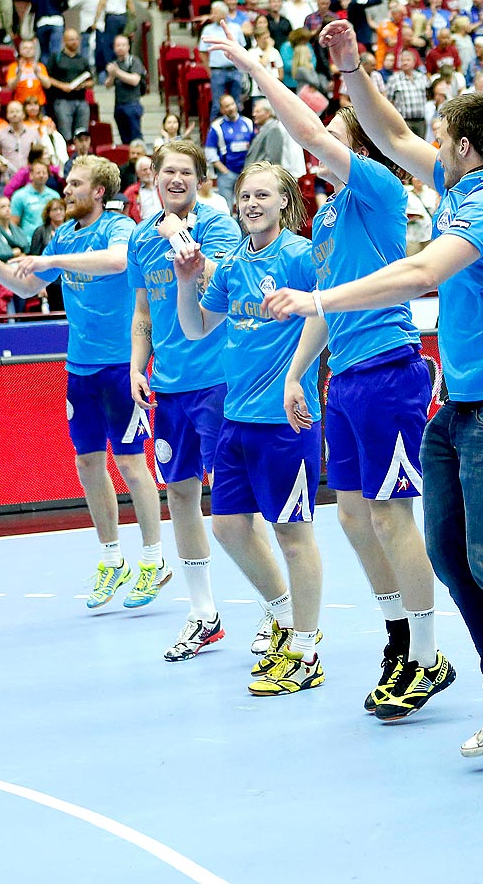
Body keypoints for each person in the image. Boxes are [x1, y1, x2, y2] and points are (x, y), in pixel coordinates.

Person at [265, 19, 483, 790]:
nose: (428, 145)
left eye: (443, 135)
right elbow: (392, 131)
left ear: (465, 146)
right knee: (448, 552)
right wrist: (352, 69)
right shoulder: (463, 180)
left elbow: (420, 272)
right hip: (464, 401)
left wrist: (319, 299)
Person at [206, 29, 456, 720]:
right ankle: (400, 641)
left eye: (338, 138)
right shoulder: (323, 220)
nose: (321, 148)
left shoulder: (376, 188)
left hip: (387, 369)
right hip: (341, 378)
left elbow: (310, 130)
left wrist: (257, 68)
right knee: (352, 519)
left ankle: (431, 653)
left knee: (391, 516)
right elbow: (321, 305)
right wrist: (297, 372)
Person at [0, 157, 167, 611]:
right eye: (66, 182)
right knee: (88, 464)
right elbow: (25, 286)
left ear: (97, 191)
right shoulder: (66, 234)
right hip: (80, 368)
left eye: (75, 183)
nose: (65, 189)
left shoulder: (119, 226)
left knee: (131, 464)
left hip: (120, 365)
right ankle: (113, 560)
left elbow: (116, 262)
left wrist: (52, 257)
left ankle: (154, 558)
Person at [175, 161, 326, 696]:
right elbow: (195, 328)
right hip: (235, 419)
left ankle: (307, 651)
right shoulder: (233, 263)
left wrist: (295, 378)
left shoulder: (302, 256)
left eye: (264, 196)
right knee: (228, 527)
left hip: (285, 421)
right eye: (245, 197)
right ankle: (284, 618)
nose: (252, 204)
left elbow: (326, 314)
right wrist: (185, 280)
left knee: (292, 535)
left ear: (285, 202)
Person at [128, 138, 242, 660]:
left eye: (184, 173)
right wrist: (136, 367)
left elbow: (221, 283)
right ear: (154, 179)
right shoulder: (138, 240)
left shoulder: (218, 225)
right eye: (166, 172)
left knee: (236, 504)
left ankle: (276, 614)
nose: (175, 180)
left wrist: (180, 236)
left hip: (218, 380)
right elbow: (144, 314)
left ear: (200, 180)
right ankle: (203, 614)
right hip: (169, 388)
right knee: (179, 496)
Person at [46, 29, 94, 142]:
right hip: (62, 100)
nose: (75, 42)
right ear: (64, 40)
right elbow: (48, 78)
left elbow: (91, 81)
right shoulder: (56, 57)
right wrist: (62, 85)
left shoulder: (82, 59)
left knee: (82, 134)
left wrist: (83, 85)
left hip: (81, 101)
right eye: (72, 39)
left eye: (77, 39)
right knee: (65, 134)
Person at [205, 94, 254, 205]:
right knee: (227, 208)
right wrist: (224, 171)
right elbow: (209, 152)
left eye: (232, 104)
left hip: (246, 172)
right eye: (227, 106)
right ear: (222, 110)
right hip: (227, 173)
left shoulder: (248, 123)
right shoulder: (216, 126)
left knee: (246, 206)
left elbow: (254, 147)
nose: (231, 108)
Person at [105, 34, 148, 145]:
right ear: (114, 48)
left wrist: (117, 72)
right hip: (119, 105)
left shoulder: (134, 61)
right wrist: (111, 75)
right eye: (118, 45)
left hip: (132, 104)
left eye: (123, 45)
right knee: (124, 139)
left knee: (136, 138)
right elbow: (107, 85)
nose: (121, 47)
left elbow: (135, 80)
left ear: (128, 47)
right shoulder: (115, 63)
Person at [10, 160, 61, 237]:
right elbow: (13, 225)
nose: (41, 175)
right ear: (31, 175)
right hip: (29, 243)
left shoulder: (54, 195)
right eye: (38, 173)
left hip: (50, 242)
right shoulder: (19, 196)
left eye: (44, 173)